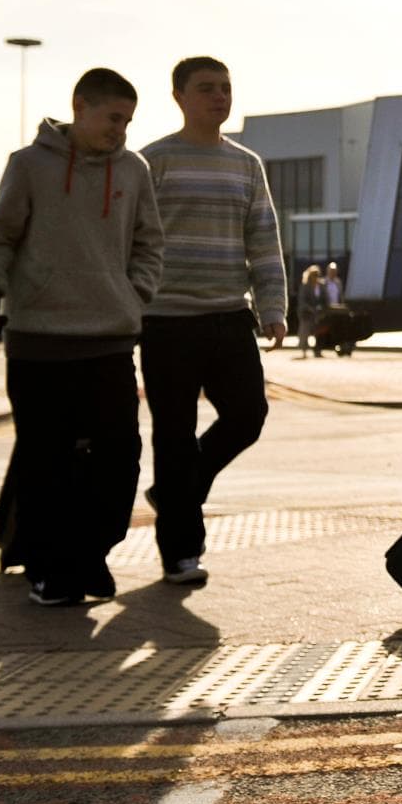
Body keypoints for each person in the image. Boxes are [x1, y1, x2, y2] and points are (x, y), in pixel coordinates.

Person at [0, 68, 164, 606]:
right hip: (39, 342)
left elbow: (149, 244)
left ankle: (91, 555)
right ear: (80, 107)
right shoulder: (29, 165)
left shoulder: (134, 170)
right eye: (112, 117)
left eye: (128, 121)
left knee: (119, 457)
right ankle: (49, 569)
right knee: (45, 460)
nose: (121, 130)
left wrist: (132, 293)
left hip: (110, 340)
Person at [138, 56, 289, 587]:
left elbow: (263, 240)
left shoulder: (246, 164)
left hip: (229, 316)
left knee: (248, 415)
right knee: (173, 436)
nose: (220, 97)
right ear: (179, 97)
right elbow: (130, 240)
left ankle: (175, 491)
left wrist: (273, 308)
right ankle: (181, 553)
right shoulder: (152, 161)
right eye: (207, 89)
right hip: (166, 320)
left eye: (225, 88)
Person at [294, 264, 326, 360]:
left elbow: (324, 298)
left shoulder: (321, 285)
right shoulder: (305, 286)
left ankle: (318, 351)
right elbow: (302, 300)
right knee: (305, 332)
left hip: (319, 313)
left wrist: (322, 308)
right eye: (314, 275)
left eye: (317, 275)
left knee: (320, 333)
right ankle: (304, 351)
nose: (316, 276)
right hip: (307, 313)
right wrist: (310, 308)